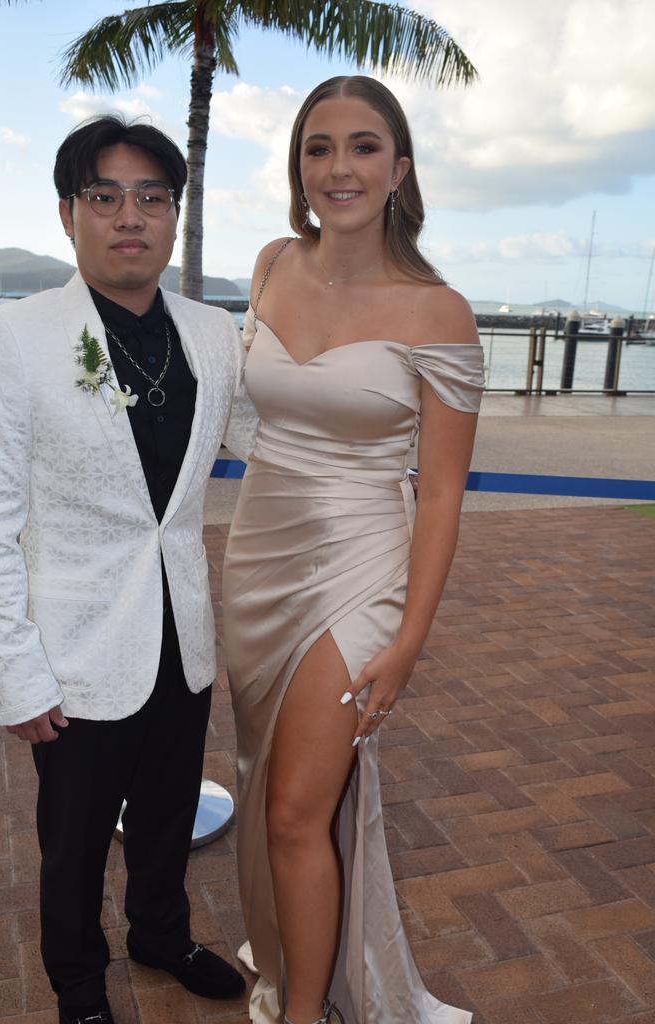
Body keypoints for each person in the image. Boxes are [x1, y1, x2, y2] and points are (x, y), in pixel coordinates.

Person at [0, 116, 255, 1024]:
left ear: (174, 217)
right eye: (106, 196)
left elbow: (264, 442)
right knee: (74, 842)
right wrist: (15, 670)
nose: (132, 216)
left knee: (166, 815)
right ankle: (78, 988)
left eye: (152, 198)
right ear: (68, 213)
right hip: (73, 650)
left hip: (181, 635)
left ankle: (160, 933)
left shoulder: (211, 333)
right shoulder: (17, 335)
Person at [222, 76, 485, 1024]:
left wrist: (410, 640)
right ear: (299, 166)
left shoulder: (437, 312)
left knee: (297, 807)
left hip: (361, 565)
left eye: (364, 146)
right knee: (263, 784)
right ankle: (300, 965)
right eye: (319, 147)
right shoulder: (268, 265)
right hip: (256, 555)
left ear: (400, 169)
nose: (340, 167)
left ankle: (306, 1015)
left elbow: (445, 491)